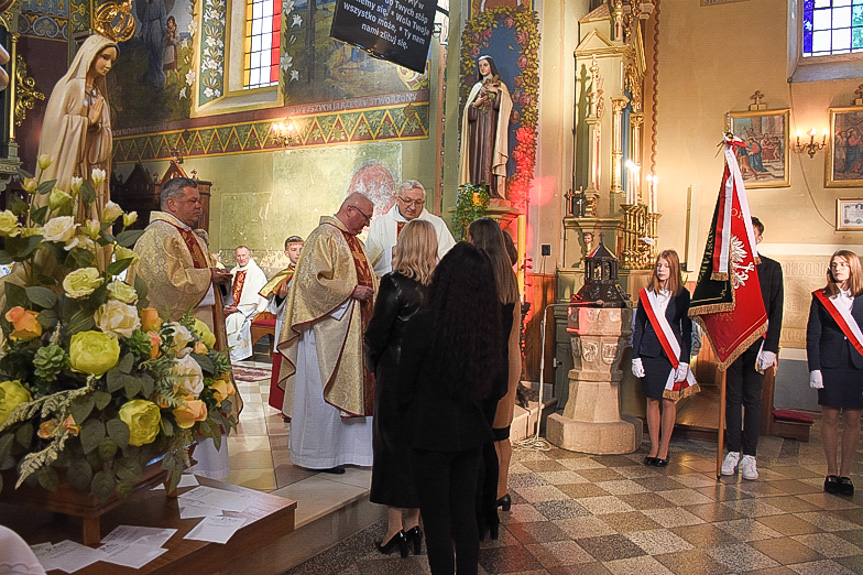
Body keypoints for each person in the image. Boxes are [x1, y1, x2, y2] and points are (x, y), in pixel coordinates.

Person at [397, 242, 504, 575]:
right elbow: (497, 388)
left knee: (437, 520)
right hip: (471, 433)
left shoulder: (422, 322)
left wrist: (404, 424)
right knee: (464, 516)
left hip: (429, 434)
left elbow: (403, 386)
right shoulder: (488, 327)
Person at [133, 177, 241, 478]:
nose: (199, 205)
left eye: (200, 200)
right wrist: (208, 276)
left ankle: (209, 469)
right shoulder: (158, 236)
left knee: (206, 391)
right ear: (171, 203)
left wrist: (215, 279)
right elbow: (163, 285)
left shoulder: (189, 235)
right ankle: (183, 471)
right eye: (192, 201)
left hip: (204, 331)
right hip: (177, 337)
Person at [276, 192, 378, 473]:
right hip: (325, 334)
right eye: (365, 217)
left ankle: (349, 453)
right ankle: (319, 456)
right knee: (321, 394)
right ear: (349, 209)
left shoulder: (353, 241)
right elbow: (311, 284)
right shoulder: (324, 236)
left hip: (354, 331)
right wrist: (350, 291)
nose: (366, 224)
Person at [364, 220, 437, 558]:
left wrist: (373, 363)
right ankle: (415, 523)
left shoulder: (393, 283)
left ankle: (394, 528)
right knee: (420, 448)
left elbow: (377, 333)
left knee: (392, 449)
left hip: (395, 375)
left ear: (405, 245)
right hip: (429, 379)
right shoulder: (440, 286)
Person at [466, 218, 520, 530]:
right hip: (506, 365)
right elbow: (511, 338)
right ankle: (498, 494)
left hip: (485, 366)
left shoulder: (480, 277)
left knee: (484, 440)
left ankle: (484, 503)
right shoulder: (508, 278)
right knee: (499, 436)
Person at [721, 217, 784, 481]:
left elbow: (777, 309)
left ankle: (750, 456)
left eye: (753, 234)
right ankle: (733, 450)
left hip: (759, 344)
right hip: (734, 343)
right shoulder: (728, 268)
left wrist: (771, 348)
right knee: (732, 399)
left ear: (759, 238)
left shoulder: (771, 268)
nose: (749, 238)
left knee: (753, 400)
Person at [36, 34, 117, 222]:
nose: (109, 65)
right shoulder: (69, 87)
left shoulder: (99, 96)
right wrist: (85, 122)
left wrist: (96, 127)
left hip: (88, 170)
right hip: (67, 169)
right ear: (90, 54)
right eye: (104, 57)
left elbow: (105, 136)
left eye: (112, 60)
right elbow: (54, 127)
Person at [631, 249, 697, 467]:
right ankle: (653, 447)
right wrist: (636, 357)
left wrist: (685, 362)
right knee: (652, 401)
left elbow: (686, 331)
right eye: (659, 265)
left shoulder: (683, 295)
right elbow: (639, 326)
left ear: (673, 268)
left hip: (672, 356)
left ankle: (664, 449)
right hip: (649, 354)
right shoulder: (646, 295)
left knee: (669, 402)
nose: (661, 270)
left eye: (666, 266)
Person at [807, 250, 863, 497]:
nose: (837, 268)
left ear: (853, 268)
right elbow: (813, 335)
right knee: (829, 418)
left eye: (842, 264)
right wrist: (814, 368)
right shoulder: (821, 298)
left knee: (852, 419)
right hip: (829, 365)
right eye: (834, 264)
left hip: (856, 365)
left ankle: (846, 473)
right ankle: (831, 471)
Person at [365, 180, 456, 276]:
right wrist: (391, 252)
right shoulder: (381, 224)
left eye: (418, 202)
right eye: (408, 201)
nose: (413, 207)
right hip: (392, 283)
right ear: (397, 200)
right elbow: (370, 259)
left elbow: (449, 258)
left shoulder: (437, 224)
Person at [458, 55, 513, 200]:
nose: (482, 68)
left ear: (491, 67)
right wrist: (476, 104)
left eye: (485, 65)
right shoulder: (477, 87)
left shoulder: (499, 86)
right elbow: (468, 114)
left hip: (491, 127)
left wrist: (496, 93)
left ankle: (490, 188)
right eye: (480, 65)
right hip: (477, 129)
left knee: (488, 155)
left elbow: (506, 105)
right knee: (477, 156)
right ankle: (477, 188)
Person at [262, 236, 303, 412]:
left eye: (301, 249)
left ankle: (299, 407)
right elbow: (272, 308)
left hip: (303, 329)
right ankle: (284, 406)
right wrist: (279, 298)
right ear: (286, 253)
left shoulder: (309, 275)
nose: (297, 253)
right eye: (293, 250)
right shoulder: (282, 277)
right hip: (285, 328)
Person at [224, 246, 268, 362]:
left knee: (233, 320)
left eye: (244, 255)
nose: (241, 258)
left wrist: (238, 309)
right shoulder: (234, 271)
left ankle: (234, 354)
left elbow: (254, 298)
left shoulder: (256, 273)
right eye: (238, 256)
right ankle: (222, 352)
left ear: (249, 255)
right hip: (234, 308)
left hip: (250, 311)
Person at [137, 0, 167, 87]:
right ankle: (152, 79)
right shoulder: (148, 4)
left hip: (157, 29)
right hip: (149, 31)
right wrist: (143, 33)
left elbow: (163, 17)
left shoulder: (160, 2)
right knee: (150, 56)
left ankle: (160, 80)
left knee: (157, 55)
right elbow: (145, 20)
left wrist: (164, 30)